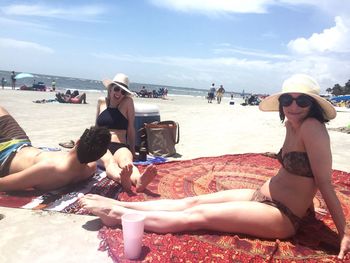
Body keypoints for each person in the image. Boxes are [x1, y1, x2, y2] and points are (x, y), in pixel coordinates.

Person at [79, 74, 349, 260]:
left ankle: (117, 214)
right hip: (262, 195)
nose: (293, 106)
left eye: (302, 101)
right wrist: (310, 206)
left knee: (199, 216)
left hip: (283, 215)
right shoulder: (292, 123)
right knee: (194, 202)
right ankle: (130, 209)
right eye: (287, 100)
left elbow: (323, 181)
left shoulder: (313, 127)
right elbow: (304, 172)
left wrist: (344, 232)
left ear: (312, 105)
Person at [0, 106, 111, 191]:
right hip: (21, 142)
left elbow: (2, 184)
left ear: (77, 141)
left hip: (6, 156)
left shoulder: (49, 169)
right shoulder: (89, 169)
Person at [95, 73, 157, 192]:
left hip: (120, 145)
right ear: (110, 88)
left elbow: (131, 128)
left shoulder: (127, 102)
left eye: (123, 91)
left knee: (127, 163)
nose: (119, 93)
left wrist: (133, 150)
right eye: (116, 89)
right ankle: (121, 178)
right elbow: (96, 126)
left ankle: (138, 180)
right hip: (101, 144)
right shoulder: (101, 102)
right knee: (110, 162)